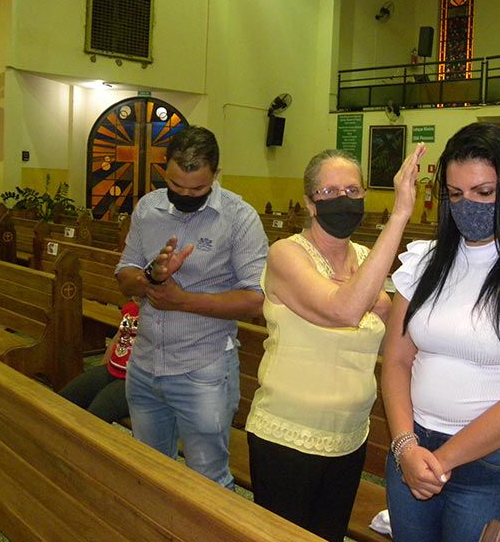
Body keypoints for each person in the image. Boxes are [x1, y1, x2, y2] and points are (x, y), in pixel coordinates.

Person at [381, 123, 500, 542]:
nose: (467, 205)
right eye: (455, 194)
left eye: (484, 192)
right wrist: (405, 447)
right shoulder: (424, 262)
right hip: (414, 447)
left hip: (494, 463)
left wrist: (441, 461)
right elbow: (396, 360)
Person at [245, 144, 425, 541]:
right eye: (329, 192)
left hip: (349, 435)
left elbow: (393, 338)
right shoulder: (286, 255)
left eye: (352, 191)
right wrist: (399, 215)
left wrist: (383, 303)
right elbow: (344, 311)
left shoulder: (366, 258)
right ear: (311, 203)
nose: (343, 199)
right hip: (288, 435)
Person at [115, 125, 267, 490]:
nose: (184, 195)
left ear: (216, 174)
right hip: (145, 363)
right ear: (165, 168)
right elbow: (124, 274)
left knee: (208, 481)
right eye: (175, 185)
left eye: (197, 189)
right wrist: (151, 277)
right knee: (149, 473)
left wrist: (182, 300)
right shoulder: (148, 208)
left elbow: (255, 299)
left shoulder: (240, 218)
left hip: (204, 368)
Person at [59, 301, 138, 423]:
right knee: (63, 401)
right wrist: (100, 372)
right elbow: (118, 338)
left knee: (94, 416)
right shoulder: (133, 308)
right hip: (114, 369)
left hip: (139, 382)